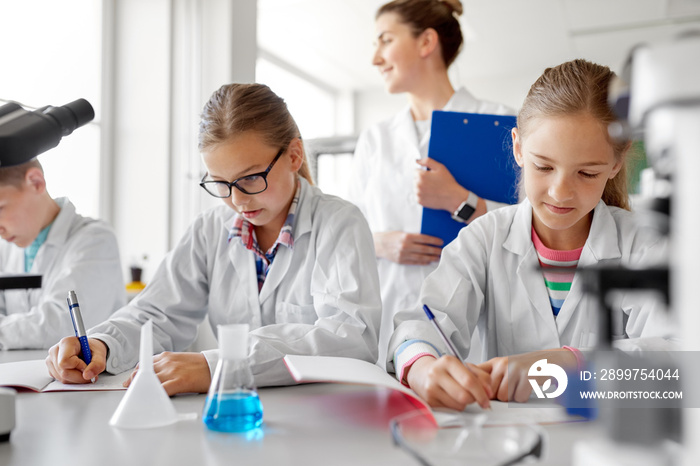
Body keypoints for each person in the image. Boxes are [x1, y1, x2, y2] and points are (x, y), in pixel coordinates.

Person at [46, 83, 382, 395]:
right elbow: (157, 313)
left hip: (321, 413)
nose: (237, 200)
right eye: (220, 183)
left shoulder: (339, 224)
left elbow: (349, 338)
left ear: (294, 156)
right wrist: (103, 344)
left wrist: (222, 365)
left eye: (250, 178)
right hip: (234, 416)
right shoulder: (210, 229)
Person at [388, 59, 672, 410]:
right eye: (544, 167)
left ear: (615, 164)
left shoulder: (644, 245)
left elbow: (677, 357)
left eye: (586, 173)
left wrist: (571, 364)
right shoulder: (484, 238)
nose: (559, 192)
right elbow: (421, 325)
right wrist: (422, 367)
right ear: (519, 148)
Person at [347, 0, 514, 365]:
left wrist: (461, 200)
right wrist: (380, 243)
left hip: (475, 325)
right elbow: (348, 231)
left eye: (385, 40)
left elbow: (528, 228)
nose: (375, 58)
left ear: (426, 43)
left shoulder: (501, 123)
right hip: (386, 325)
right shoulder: (376, 139)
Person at [0, 159, 125, 349]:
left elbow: (63, 326)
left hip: (90, 376)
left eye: (0, 208)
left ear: (36, 182)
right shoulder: (7, 247)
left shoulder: (96, 240)